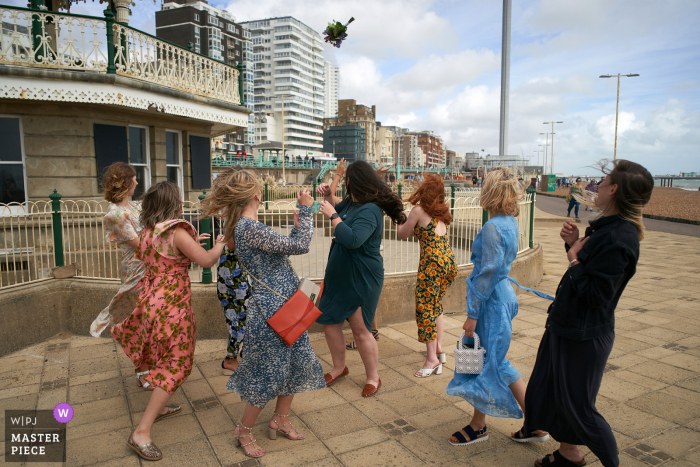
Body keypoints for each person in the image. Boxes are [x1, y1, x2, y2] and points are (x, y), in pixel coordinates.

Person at [520, 160, 654, 467]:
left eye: (603, 180)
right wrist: (573, 243)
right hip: (566, 325)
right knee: (549, 390)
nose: (597, 185)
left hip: (583, 334)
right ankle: (568, 452)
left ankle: (611, 462)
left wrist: (573, 258)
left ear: (614, 189)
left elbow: (597, 295)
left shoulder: (620, 238)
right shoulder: (606, 228)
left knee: (580, 408)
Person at [210, 170, 325, 459]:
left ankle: (280, 419)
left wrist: (298, 226)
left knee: (298, 364)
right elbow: (300, 246)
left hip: (286, 306)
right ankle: (244, 430)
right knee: (267, 374)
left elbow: (282, 249)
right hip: (273, 311)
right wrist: (305, 208)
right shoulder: (249, 227)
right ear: (257, 195)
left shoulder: (244, 227)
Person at [112, 181, 226, 461]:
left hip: (152, 302)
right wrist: (222, 240)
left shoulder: (150, 232)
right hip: (172, 306)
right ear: (173, 204)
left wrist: (188, 248)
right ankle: (141, 431)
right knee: (178, 363)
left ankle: (160, 407)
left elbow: (165, 258)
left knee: (162, 355)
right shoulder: (176, 230)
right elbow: (209, 261)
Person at [446, 167, 547, 447]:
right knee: (495, 361)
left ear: (489, 192)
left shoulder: (492, 227)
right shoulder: (509, 222)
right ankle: (534, 421)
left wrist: (472, 315)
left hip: (491, 302)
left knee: (487, 361)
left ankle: (479, 427)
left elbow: (487, 273)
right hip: (504, 296)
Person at [316, 161, 406, 397]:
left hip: (361, 276)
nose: (345, 185)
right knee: (330, 323)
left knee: (360, 331)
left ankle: (373, 377)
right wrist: (328, 195)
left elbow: (354, 239)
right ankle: (339, 368)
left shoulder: (370, 209)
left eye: (347, 181)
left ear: (354, 182)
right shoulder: (352, 203)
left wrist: (333, 216)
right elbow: (337, 206)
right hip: (339, 276)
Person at [397, 174, 456, 377]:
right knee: (435, 305)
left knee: (425, 308)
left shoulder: (418, 211)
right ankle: (439, 348)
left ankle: (431, 359)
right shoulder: (441, 214)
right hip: (448, 263)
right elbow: (424, 232)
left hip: (431, 265)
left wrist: (400, 219)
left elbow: (402, 233)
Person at [203, 168, 251, 376]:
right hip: (235, 275)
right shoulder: (237, 216)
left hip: (229, 273)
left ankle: (238, 357)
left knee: (239, 317)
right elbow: (232, 244)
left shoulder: (233, 212)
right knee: (241, 317)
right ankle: (231, 359)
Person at [90, 162, 145, 338]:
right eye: (134, 179)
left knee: (146, 311)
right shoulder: (116, 214)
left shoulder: (135, 206)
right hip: (136, 266)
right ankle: (139, 350)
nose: (137, 183)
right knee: (139, 311)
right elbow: (139, 244)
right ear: (125, 182)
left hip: (147, 262)